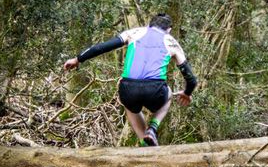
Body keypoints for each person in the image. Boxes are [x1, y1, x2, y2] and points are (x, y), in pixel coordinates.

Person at [63, 13, 197, 146]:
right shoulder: (172, 42)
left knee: (129, 105)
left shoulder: (134, 32)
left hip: (128, 90)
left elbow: (100, 48)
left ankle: (144, 142)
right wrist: (187, 93)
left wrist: (77, 59)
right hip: (155, 90)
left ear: (149, 25)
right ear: (169, 30)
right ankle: (152, 129)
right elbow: (191, 80)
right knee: (168, 92)